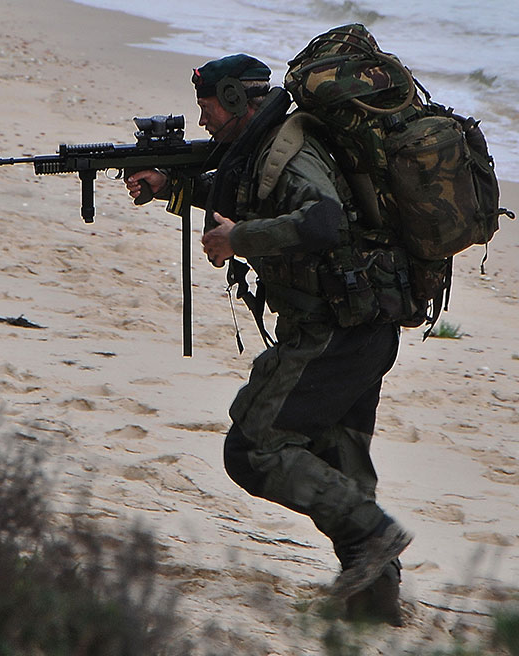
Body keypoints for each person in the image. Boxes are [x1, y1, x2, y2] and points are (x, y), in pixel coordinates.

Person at [125, 53, 412, 625]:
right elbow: (245, 195)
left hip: (334, 331)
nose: (202, 120)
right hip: (363, 324)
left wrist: (240, 239)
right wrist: (167, 188)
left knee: (254, 449)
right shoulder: (266, 146)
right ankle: (373, 603)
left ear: (234, 100)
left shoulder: (290, 149)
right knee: (338, 454)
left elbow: (322, 221)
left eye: (206, 106)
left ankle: (376, 534)